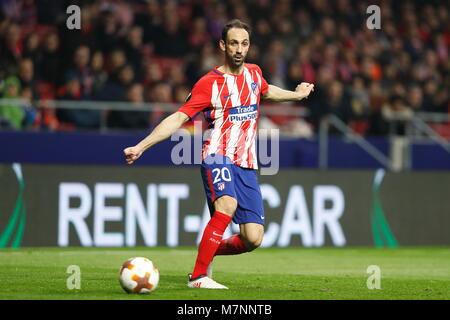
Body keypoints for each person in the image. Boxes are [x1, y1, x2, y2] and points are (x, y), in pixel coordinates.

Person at [123, 19, 314, 289]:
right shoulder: (209, 83)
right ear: (223, 45)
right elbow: (178, 118)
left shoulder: (254, 73)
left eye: (244, 43)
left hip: (246, 162)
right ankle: (199, 277)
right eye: (234, 43)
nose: (239, 49)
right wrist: (141, 146)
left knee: (253, 238)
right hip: (217, 154)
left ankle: (207, 251)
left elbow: (266, 90)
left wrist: (296, 95)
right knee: (227, 206)